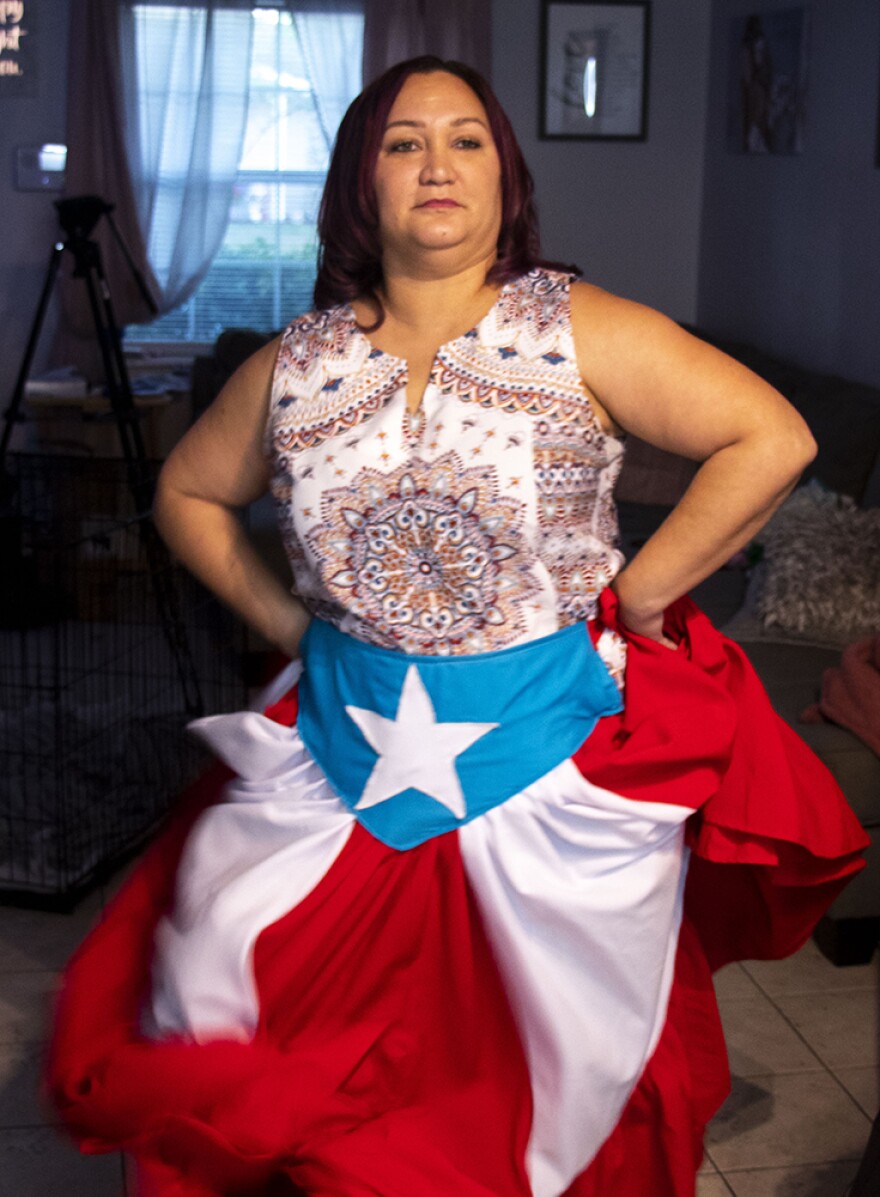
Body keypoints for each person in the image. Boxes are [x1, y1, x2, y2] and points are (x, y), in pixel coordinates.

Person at [47, 57, 867, 1197]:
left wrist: (638, 596)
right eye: (402, 141)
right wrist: (288, 622)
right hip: (340, 750)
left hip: (546, 760)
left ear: (504, 173)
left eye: (466, 138)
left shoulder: (575, 325)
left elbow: (769, 437)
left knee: (524, 1069)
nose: (437, 163)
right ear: (360, 182)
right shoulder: (299, 361)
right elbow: (186, 492)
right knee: (282, 1049)